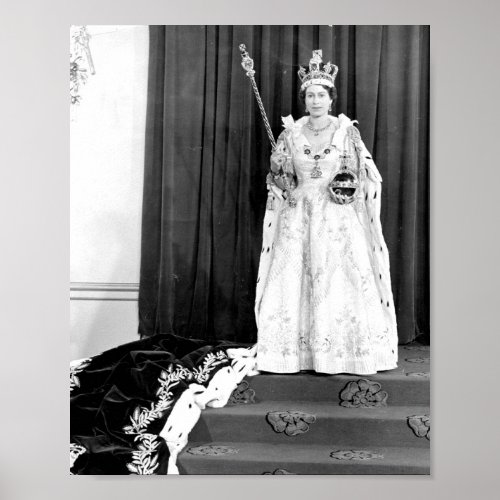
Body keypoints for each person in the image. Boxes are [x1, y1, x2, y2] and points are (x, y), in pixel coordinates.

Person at [254, 50, 398, 375]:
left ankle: (343, 353)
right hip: (298, 216)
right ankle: (294, 355)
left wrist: (347, 183)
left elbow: (363, 174)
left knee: (340, 279)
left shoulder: (347, 132)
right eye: (310, 95)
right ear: (304, 99)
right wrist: (277, 168)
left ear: (331, 99)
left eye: (321, 94)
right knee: (295, 279)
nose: (316, 100)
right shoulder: (289, 133)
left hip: (337, 216)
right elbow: (284, 183)